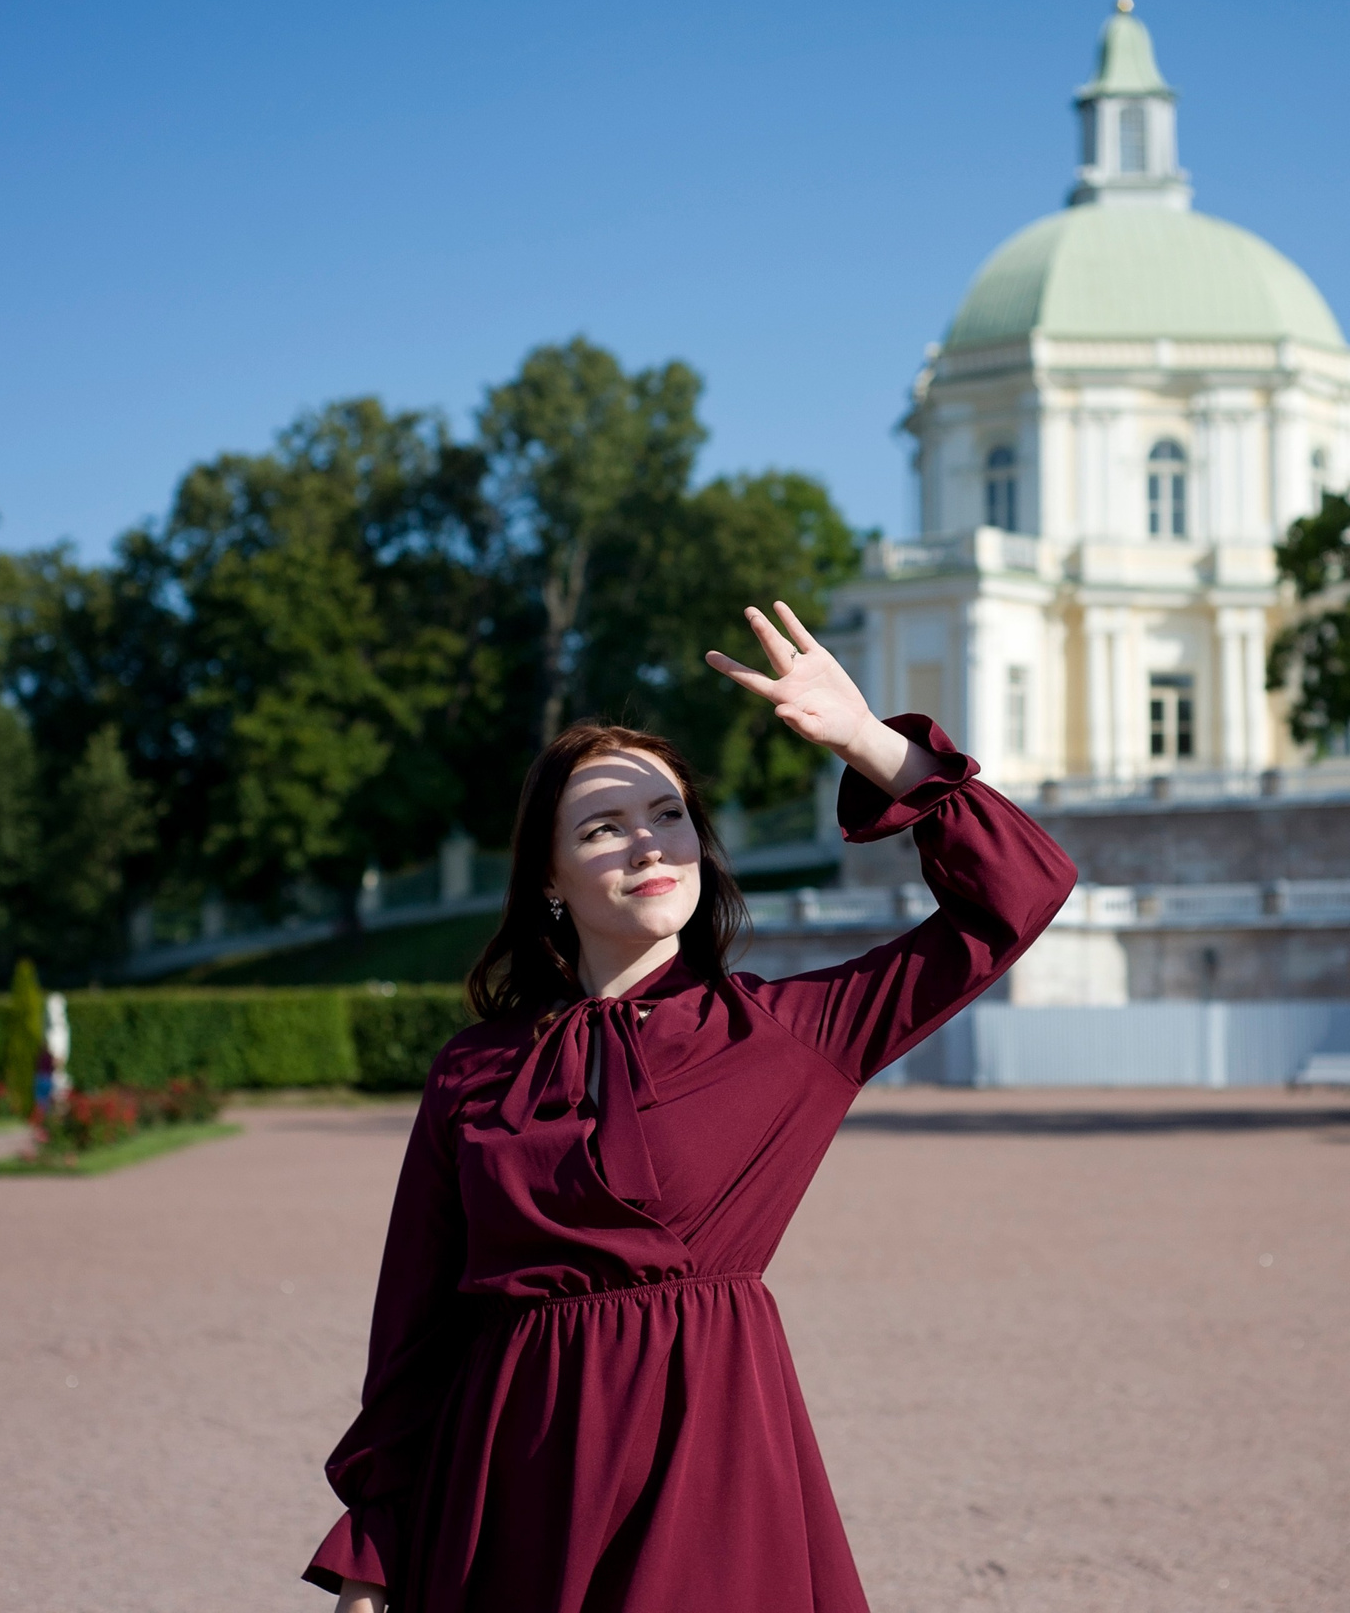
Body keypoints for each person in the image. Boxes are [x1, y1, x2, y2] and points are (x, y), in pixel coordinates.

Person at [307, 601, 1077, 1613]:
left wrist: (864, 740)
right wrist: (370, 1560)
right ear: (548, 876)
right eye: (604, 828)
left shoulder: (792, 1033)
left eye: (668, 816)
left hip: (706, 1464)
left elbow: (1022, 893)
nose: (647, 846)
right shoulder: (472, 1071)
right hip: (504, 1490)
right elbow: (413, 1334)